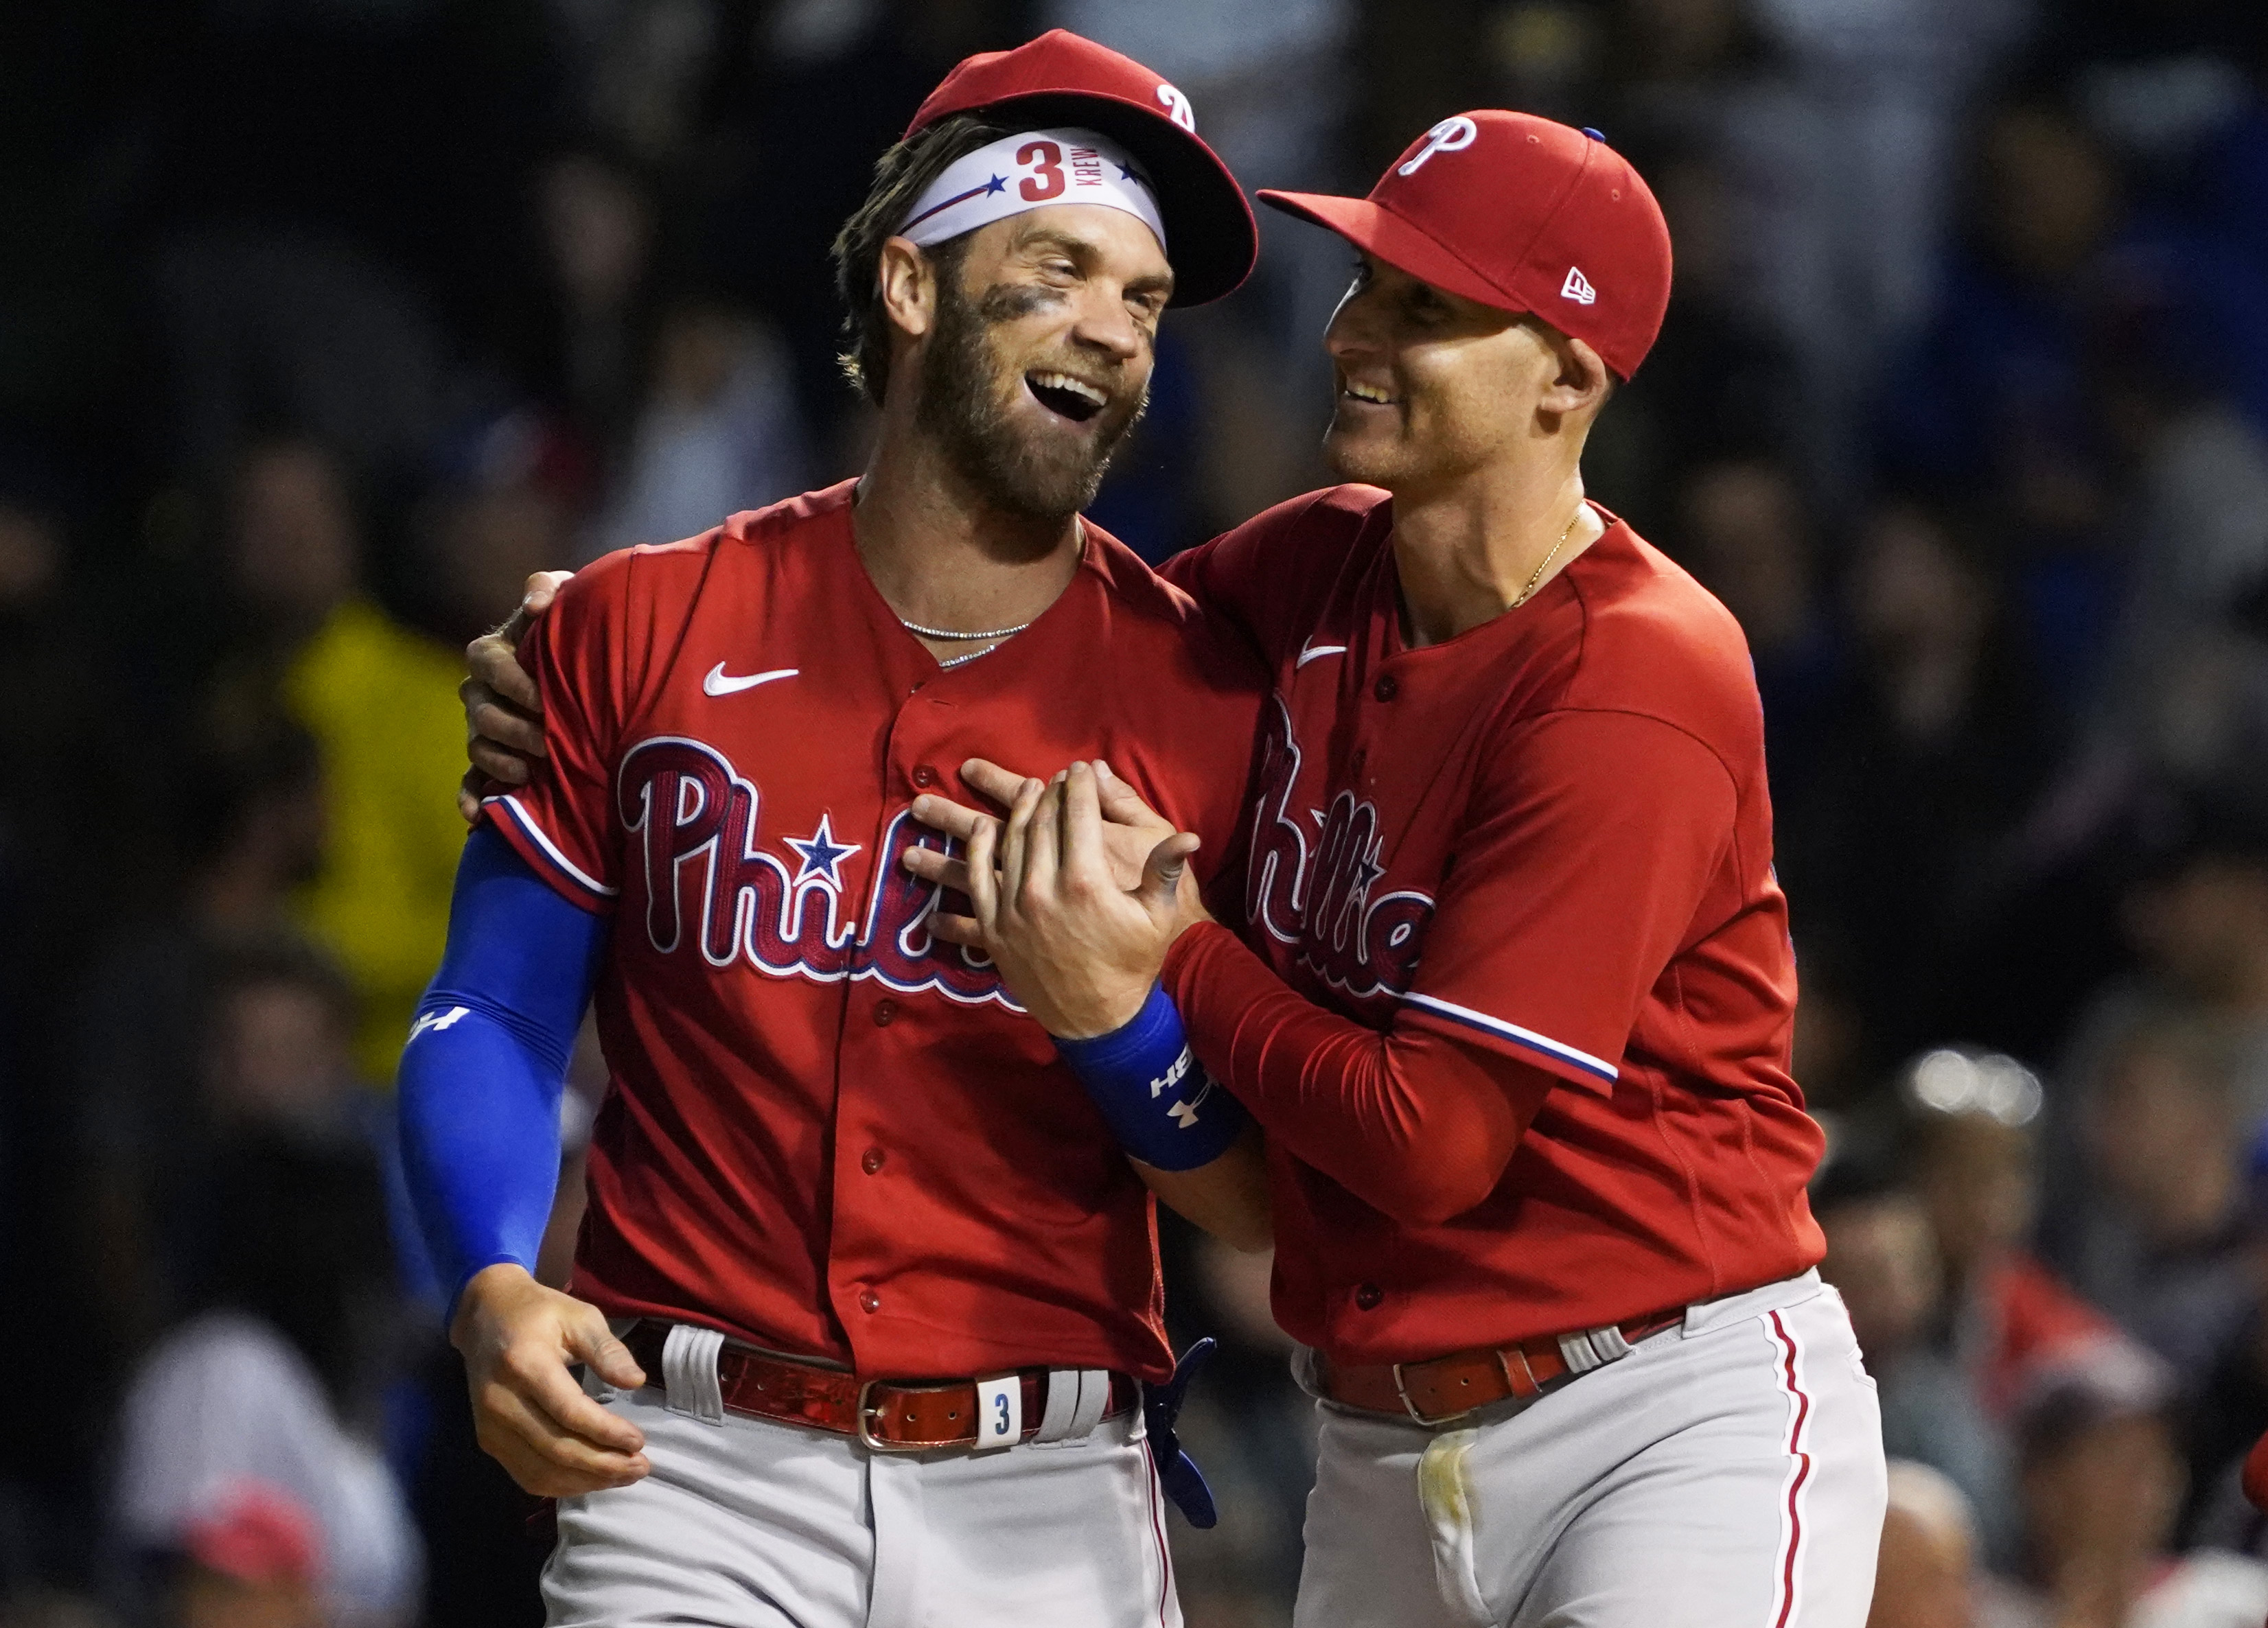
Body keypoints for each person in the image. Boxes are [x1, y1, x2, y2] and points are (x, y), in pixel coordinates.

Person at [469, 109, 1888, 1625]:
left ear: (1566, 375)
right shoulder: (1309, 569)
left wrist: (1170, 960)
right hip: (1379, 1438)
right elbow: (1025, 627)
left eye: (1425, 307)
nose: (1353, 332)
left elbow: (1427, 1144)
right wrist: (620, 633)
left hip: (1655, 1412)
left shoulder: (1634, 678)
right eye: (1362, 282)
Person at [406, 30, 1271, 1625]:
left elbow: (1263, 1201)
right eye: (1060, 266)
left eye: (1141, 300)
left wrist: (1109, 1022)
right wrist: (488, 1278)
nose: (1112, 328)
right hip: (690, 1467)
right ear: (912, 285)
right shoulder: (635, 623)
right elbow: (498, 1004)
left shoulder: (1210, 695)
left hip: (1050, 1481)